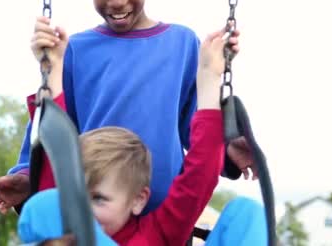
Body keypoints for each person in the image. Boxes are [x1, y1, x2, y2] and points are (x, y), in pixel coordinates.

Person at [0, 0, 256, 215]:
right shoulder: (74, 50)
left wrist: (228, 146)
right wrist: (26, 174)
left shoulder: (182, 43)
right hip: (97, 215)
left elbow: (194, 122)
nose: (116, 1)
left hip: (165, 216)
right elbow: (54, 121)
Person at [16, 21, 266, 245]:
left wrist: (209, 77)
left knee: (247, 214)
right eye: (77, 197)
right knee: (47, 206)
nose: (83, 213)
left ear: (137, 200)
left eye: (99, 198)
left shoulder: (155, 234)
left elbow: (200, 175)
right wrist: (54, 70)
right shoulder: (62, 226)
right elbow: (55, 149)